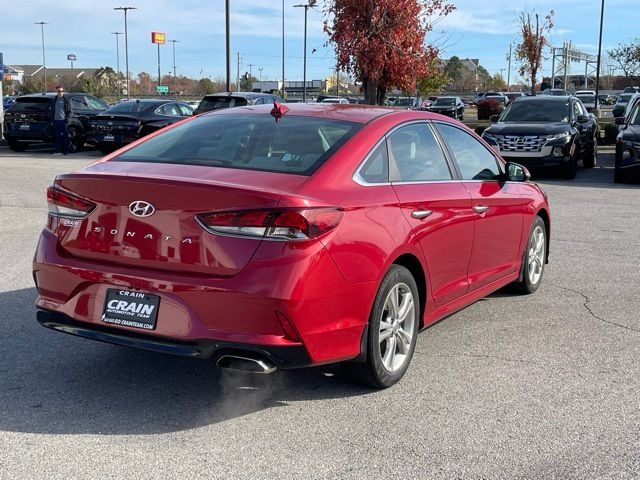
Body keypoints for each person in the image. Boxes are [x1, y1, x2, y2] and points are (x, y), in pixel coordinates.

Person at [51, 85, 72, 155]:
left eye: (62, 91)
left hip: (64, 121)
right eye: (59, 91)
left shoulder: (66, 100)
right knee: (57, 137)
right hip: (56, 121)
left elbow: (70, 111)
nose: (61, 92)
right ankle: (58, 151)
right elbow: (52, 111)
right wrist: (52, 120)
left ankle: (65, 151)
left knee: (65, 137)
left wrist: (67, 120)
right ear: (56, 92)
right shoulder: (54, 100)